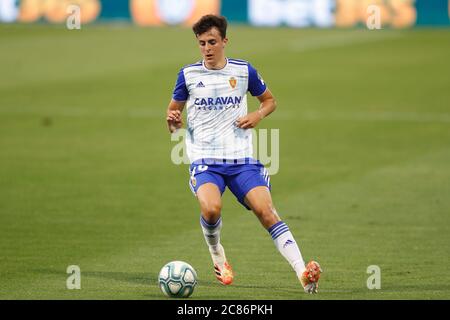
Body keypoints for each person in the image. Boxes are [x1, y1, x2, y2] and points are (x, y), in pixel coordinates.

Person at [166, 14, 322, 293]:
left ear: (225, 41)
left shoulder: (242, 71)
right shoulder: (188, 75)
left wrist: (257, 115)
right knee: (211, 209)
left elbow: (270, 101)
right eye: (201, 43)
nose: (207, 49)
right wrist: (174, 122)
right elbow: (174, 111)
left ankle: (303, 274)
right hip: (205, 160)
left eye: (212, 42)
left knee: (267, 212)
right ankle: (218, 258)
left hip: (242, 160)